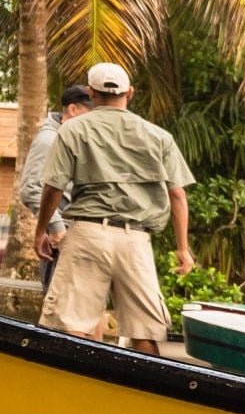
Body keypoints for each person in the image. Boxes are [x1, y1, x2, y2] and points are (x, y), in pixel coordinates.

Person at [34, 62, 194, 355]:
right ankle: (146, 394)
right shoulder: (158, 136)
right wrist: (183, 248)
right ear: (129, 93)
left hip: (87, 233)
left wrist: (41, 230)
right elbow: (178, 195)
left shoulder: (72, 130)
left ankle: (76, 391)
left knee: (72, 324)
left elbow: (53, 188)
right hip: (135, 238)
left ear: (92, 94)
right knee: (145, 331)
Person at [18, 83, 93, 288]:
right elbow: (31, 188)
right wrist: (56, 227)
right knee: (58, 312)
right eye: (91, 113)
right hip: (61, 241)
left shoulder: (73, 139)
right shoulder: (50, 139)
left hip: (80, 238)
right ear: (73, 109)